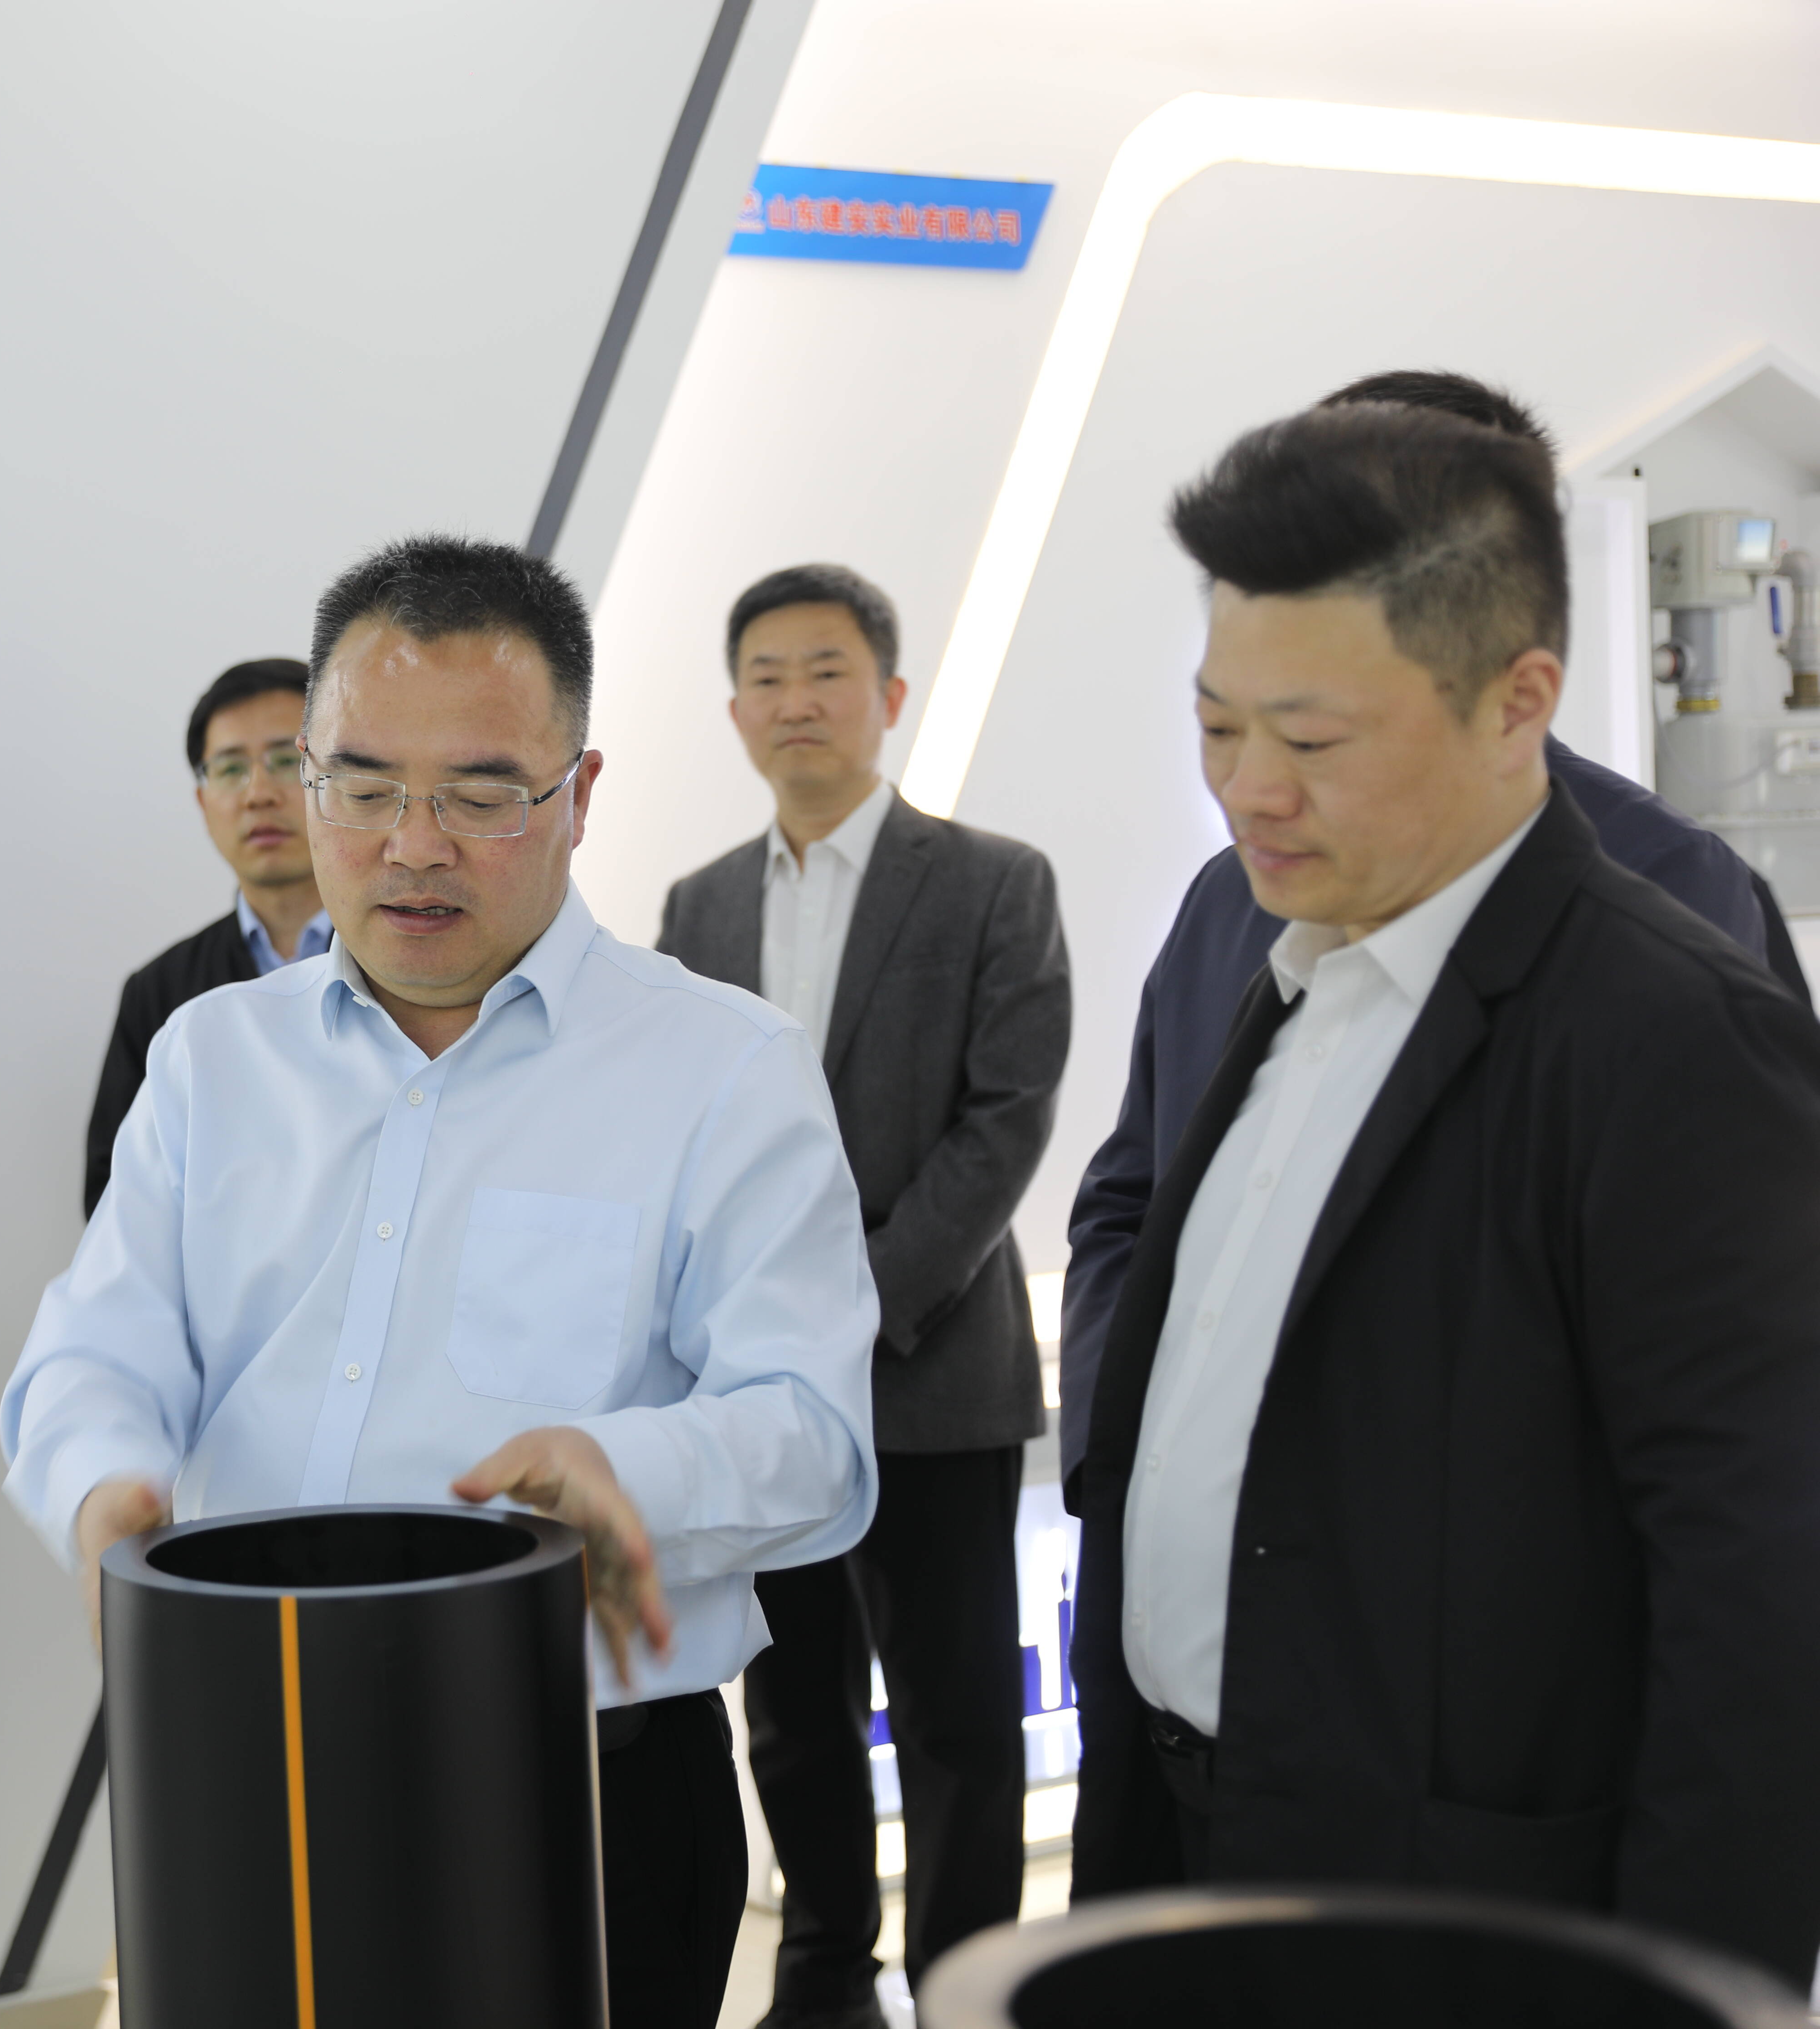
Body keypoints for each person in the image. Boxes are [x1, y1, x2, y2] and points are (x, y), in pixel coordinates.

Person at [1, 534, 881, 2029]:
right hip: (241, 1757)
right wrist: (102, 1489)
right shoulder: (215, 1058)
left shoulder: (720, 1068)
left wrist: (626, 1466)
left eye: (480, 795)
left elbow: (818, 1433)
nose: (412, 846)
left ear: (579, 796)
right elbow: (96, 1350)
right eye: (361, 787)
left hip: (578, 1788)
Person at [1068, 400, 1820, 1985]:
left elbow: (1756, 1618)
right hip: (1187, 1836)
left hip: (1462, 1917)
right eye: (1216, 726)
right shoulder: (1277, 955)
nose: (1248, 791)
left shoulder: (1671, 1035)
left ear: (1514, 702)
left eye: (1311, 742)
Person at [1057, 369, 1811, 1484]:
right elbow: (1132, 1198)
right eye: (1219, 728)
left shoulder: (1669, 897)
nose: (1253, 787)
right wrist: (1115, 1461)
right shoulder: (1231, 896)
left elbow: (1725, 1374)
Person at [658, 564, 1068, 2027]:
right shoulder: (699, 906)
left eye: (826, 670)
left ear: (889, 696)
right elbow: (680, 1133)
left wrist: (854, 1307)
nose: (796, 701)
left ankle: (962, 1990)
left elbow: (1005, 1122)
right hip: (762, 1397)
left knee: (958, 1721)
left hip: (933, 1372)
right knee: (792, 1713)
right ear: (734, 713)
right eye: (766, 676)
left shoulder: (993, 881)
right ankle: (825, 1980)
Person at [83, 656, 332, 1213]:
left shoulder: (410, 956)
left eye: (285, 761)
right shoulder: (159, 992)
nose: (258, 794)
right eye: (230, 768)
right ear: (202, 801)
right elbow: (116, 1199)